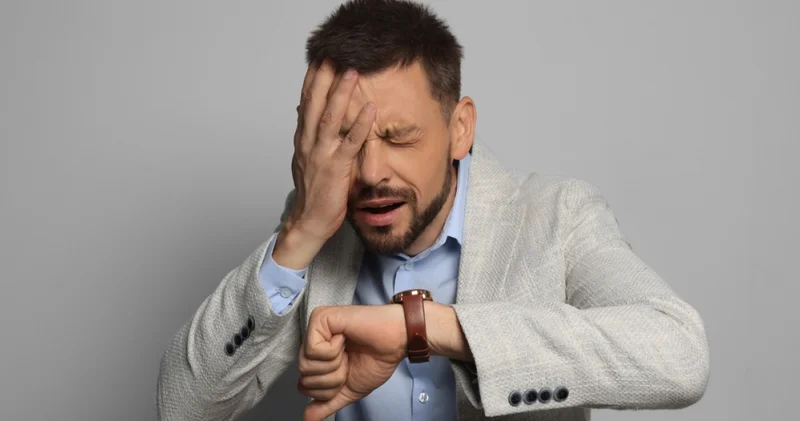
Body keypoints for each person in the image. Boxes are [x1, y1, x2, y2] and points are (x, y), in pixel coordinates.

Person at [156, 1, 710, 420]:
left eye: (399, 137)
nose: (371, 172)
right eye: (348, 140)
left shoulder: (557, 216)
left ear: (459, 128)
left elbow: (679, 355)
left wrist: (423, 328)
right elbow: (182, 406)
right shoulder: (318, 233)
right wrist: (300, 233)